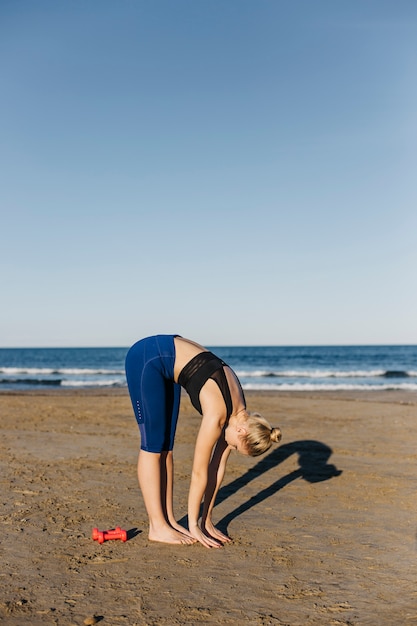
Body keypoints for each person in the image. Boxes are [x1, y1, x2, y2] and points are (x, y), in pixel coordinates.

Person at [125, 334, 282, 548]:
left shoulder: (240, 415)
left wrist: (206, 520)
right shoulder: (218, 415)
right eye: (236, 446)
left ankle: (169, 520)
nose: (230, 448)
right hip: (147, 358)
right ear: (241, 430)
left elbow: (216, 469)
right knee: (153, 446)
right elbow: (199, 472)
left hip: (168, 364)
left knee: (166, 448)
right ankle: (157, 526)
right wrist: (193, 525)